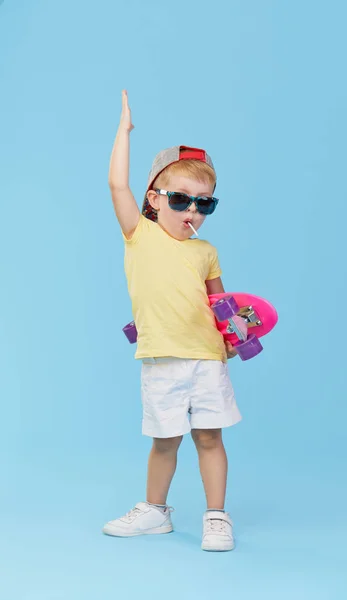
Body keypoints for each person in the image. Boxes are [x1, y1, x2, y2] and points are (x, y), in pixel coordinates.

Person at [102, 90, 241, 552]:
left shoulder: (206, 252)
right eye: (181, 200)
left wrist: (238, 332)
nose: (192, 212)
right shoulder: (138, 235)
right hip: (161, 358)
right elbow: (116, 187)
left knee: (208, 437)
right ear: (154, 199)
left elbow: (222, 306)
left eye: (205, 204)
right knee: (164, 441)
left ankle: (217, 517)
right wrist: (123, 132)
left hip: (206, 358)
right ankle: (155, 511)